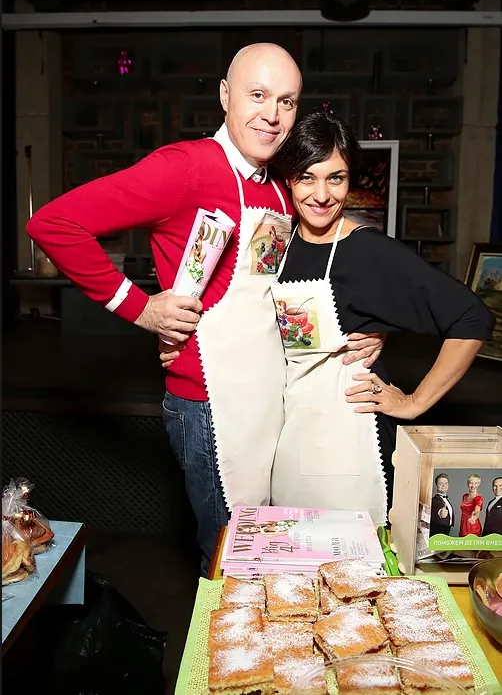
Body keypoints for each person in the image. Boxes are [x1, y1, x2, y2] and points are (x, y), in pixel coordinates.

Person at [26, 44, 383, 576]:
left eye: (287, 101)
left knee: (267, 552)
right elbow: (54, 224)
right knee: (230, 562)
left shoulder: (282, 184)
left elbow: (284, 290)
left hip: (270, 399)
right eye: (257, 95)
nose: (272, 114)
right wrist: (141, 309)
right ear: (224, 95)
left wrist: (355, 333)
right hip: (211, 405)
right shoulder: (184, 169)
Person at [265, 110, 494, 526]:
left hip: (347, 442)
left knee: (352, 557)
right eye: (307, 177)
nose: (322, 194)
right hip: (291, 433)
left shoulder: (367, 251)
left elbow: (471, 316)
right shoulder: (280, 241)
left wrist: (414, 401)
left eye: (336, 178)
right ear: (289, 179)